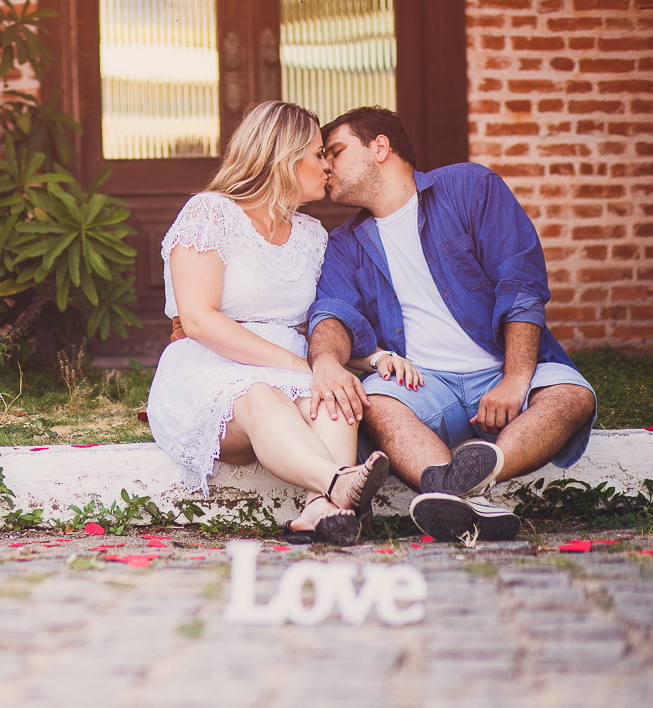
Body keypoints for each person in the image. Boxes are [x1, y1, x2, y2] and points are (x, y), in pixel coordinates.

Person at [307, 106, 597, 543]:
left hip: (500, 366)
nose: (326, 164)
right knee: (377, 405)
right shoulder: (345, 244)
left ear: (379, 147)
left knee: (573, 397)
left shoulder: (470, 188)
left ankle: (471, 477)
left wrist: (515, 379)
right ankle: (461, 494)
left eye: (337, 151)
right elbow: (332, 314)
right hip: (424, 384)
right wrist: (327, 361)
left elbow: (520, 281)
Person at [146, 101, 423, 545]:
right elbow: (198, 319)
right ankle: (340, 483)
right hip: (212, 368)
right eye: (318, 153)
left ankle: (322, 510)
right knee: (263, 396)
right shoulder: (210, 214)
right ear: (285, 157)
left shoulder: (313, 234)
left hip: (288, 366)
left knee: (335, 395)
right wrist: (299, 369)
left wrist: (370, 358)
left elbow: (317, 323)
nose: (327, 166)